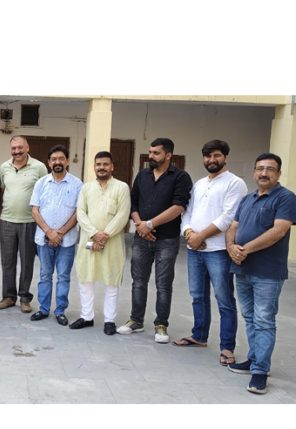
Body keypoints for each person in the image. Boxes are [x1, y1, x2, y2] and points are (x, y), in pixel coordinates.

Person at [226, 153, 296, 394]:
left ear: (278, 174)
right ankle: (253, 359)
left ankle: (260, 371)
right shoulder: (247, 199)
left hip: (267, 272)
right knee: (250, 318)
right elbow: (232, 228)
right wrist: (231, 248)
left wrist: (244, 249)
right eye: (260, 169)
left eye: (270, 169)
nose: (264, 173)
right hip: (242, 268)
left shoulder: (286, 198)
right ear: (254, 172)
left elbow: (279, 231)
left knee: (264, 321)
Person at [174, 140, 247, 365]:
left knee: (224, 299)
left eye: (216, 155)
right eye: (207, 156)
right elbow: (187, 212)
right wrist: (188, 233)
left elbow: (228, 217)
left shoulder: (235, 183)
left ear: (225, 157)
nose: (211, 160)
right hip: (194, 249)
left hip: (218, 251)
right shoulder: (199, 184)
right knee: (197, 295)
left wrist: (201, 236)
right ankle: (199, 335)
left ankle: (227, 347)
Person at [117, 138, 192, 343]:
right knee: (138, 281)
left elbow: (178, 207)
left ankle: (161, 325)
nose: (151, 156)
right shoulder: (143, 175)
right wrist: (140, 225)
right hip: (141, 238)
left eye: (156, 153)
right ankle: (136, 320)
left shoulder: (180, 177)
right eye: (150, 152)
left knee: (163, 283)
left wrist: (149, 225)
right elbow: (133, 202)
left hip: (166, 239)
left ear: (168, 155)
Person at [73, 151, 131, 335]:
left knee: (111, 281)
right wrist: (94, 234)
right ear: (94, 167)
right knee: (86, 280)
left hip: (112, 243)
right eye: (98, 164)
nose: (102, 167)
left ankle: (109, 320)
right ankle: (87, 316)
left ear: (112, 166)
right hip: (88, 241)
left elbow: (123, 215)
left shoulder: (121, 188)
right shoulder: (86, 188)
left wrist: (105, 235)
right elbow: (81, 213)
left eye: (106, 164)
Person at [29, 145, 82, 326]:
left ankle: (60, 310)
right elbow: (35, 211)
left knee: (63, 276)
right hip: (43, 239)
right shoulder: (41, 183)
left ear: (67, 161)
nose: (57, 162)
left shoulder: (77, 184)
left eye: (61, 159)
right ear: (49, 162)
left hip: (66, 241)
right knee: (45, 275)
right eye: (54, 159)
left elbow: (77, 213)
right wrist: (49, 232)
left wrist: (59, 233)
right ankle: (43, 309)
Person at [0, 135, 48, 313]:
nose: (17, 151)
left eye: (20, 147)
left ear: (28, 148)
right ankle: (8, 297)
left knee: (27, 261)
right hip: (7, 221)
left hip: (30, 222)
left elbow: (44, 194)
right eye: (14, 148)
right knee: (7, 261)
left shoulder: (39, 167)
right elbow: (1, 193)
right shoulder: (4, 167)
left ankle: (25, 298)